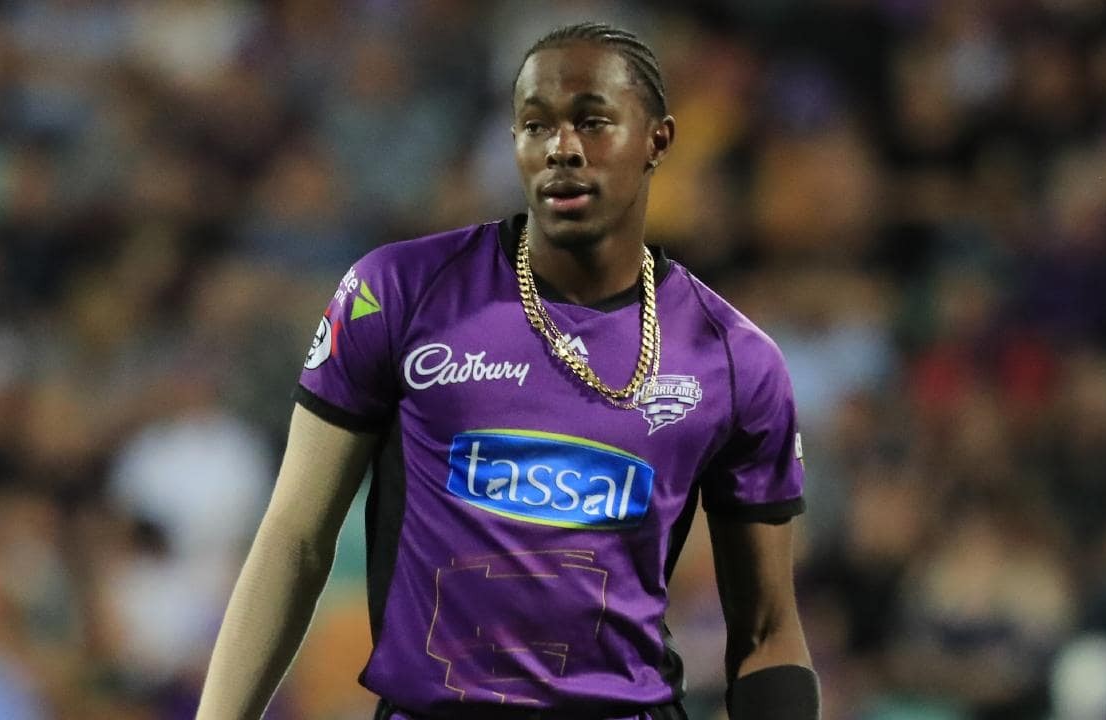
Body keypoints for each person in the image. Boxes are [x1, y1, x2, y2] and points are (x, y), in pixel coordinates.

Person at [196, 22, 819, 720]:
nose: (562, 148)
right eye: (536, 125)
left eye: (592, 122)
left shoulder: (735, 359)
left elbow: (766, 630)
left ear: (657, 140)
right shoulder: (397, 293)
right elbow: (294, 540)